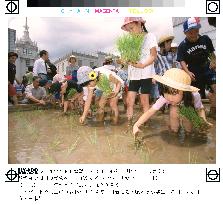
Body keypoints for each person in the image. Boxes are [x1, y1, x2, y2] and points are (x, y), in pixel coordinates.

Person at [133, 68, 212, 137]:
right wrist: (136, 125)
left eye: (174, 93)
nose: (169, 97)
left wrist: (204, 121)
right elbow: (150, 111)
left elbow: (200, 109)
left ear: (184, 91)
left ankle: (188, 135)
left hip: (188, 108)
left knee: (189, 130)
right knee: (174, 115)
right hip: (175, 108)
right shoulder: (165, 97)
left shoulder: (194, 95)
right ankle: (174, 132)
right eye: (166, 92)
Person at [121, 17, 158, 125]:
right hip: (133, 75)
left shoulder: (150, 36)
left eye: (132, 28)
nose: (130, 32)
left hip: (146, 73)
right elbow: (126, 58)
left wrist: (143, 65)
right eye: (128, 30)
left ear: (140, 24)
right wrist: (125, 59)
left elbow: (153, 55)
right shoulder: (129, 41)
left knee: (144, 100)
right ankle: (130, 123)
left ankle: (145, 123)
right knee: (129, 100)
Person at [177, 17, 216, 118]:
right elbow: (182, 60)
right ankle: (196, 114)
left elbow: (211, 53)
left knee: (216, 87)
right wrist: (188, 72)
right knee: (196, 94)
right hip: (194, 71)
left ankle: (214, 110)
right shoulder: (182, 45)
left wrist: (213, 61)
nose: (194, 34)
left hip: (207, 67)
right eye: (190, 32)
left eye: (196, 31)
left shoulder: (205, 39)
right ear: (185, 32)